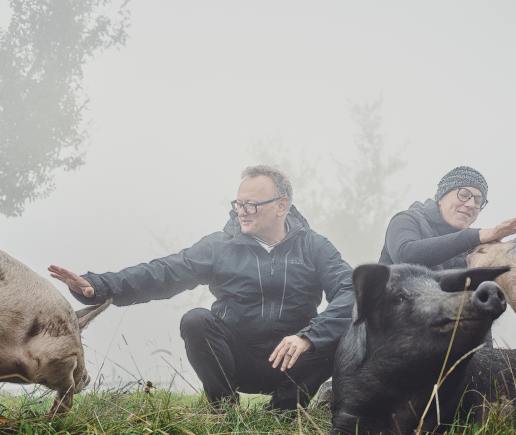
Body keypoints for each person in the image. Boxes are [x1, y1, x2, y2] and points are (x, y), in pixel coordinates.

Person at [48, 165, 354, 410]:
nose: (241, 211)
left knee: (340, 334)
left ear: (281, 206)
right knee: (195, 320)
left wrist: (308, 337)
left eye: (251, 204)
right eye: (238, 204)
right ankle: (223, 409)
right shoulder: (219, 246)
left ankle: (287, 410)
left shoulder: (315, 247)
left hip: (294, 362)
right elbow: (164, 273)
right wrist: (99, 286)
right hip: (240, 359)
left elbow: (351, 292)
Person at [379, 166, 516, 269]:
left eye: (478, 201)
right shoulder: (407, 219)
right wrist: (475, 236)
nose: (471, 204)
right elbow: (405, 256)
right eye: (463, 195)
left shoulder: (471, 248)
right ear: (441, 197)